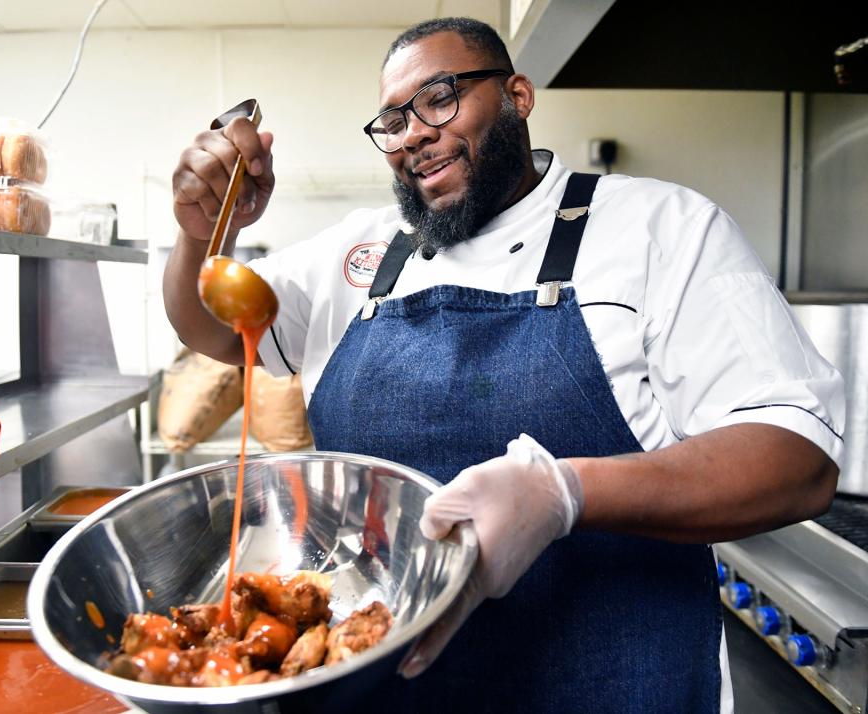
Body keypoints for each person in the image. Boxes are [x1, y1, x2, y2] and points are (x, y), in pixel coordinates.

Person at [164, 16, 844, 713]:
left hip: (617, 688)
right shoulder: (361, 255)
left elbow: (797, 461)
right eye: (392, 120)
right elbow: (212, 327)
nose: (414, 133)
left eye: (439, 98)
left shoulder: (658, 228)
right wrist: (199, 235)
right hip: (387, 693)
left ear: (518, 95)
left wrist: (563, 495)